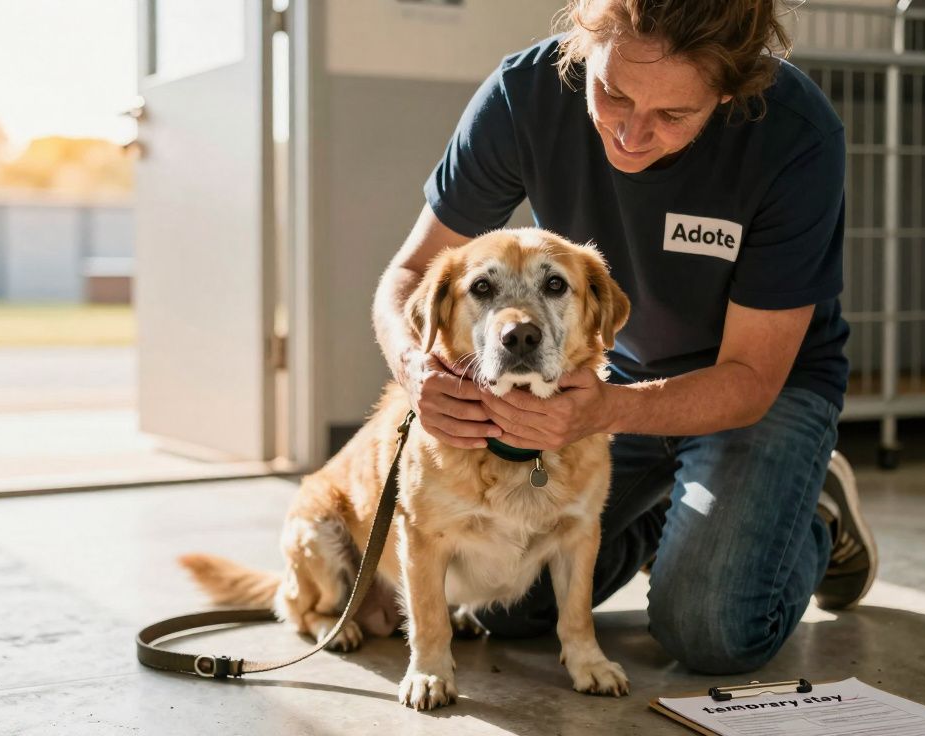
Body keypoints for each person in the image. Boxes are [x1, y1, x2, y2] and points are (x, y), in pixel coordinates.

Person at [371, 0, 877, 675]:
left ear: (728, 92)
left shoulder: (796, 134)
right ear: (585, 45)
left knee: (712, 631)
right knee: (505, 605)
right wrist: (416, 371)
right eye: (611, 94)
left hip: (761, 388)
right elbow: (408, 272)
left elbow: (751, 379)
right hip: (616, 378)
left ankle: (814, 518)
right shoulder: (524, 95)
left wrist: (607, 409)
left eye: (674, 116)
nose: (632, 135)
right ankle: (671, 520)